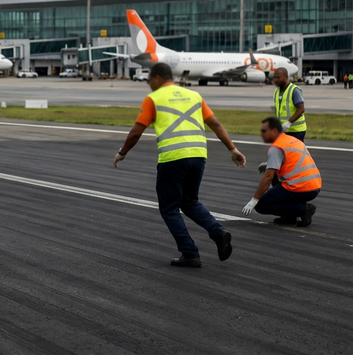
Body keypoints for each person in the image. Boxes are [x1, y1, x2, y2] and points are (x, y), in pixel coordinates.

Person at [113, 63, 246, 268]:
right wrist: (232, 149)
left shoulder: (154, 99)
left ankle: (190, 253)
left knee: (169, 208)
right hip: (199, 155)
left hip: (173, 157)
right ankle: (218, 232)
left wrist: (122, 153)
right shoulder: (194, 95)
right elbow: (216, 124)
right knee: (190, 201)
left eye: (150, 79)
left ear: (157, 78)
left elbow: (136, 132)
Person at [242, 117, 321, 226]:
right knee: (276, 176)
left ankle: (304, 209)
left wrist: (254, 200)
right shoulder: (293, 140)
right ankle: (289, 217)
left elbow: (268, 177)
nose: (262, 134)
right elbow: (295, 160)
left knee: (261, 206)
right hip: (315, 185)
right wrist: (269, 164)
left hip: (301, 187)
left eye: (265, 131)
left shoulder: (276, 148)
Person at [273, 67, 306, 141]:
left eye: (278, 78)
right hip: (283, 130)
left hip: (296, 130)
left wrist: (288, 123)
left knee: (295, 152)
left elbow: (301, 109)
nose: (275, 80)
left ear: (286, 77)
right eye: (274, 78)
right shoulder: (276, 91)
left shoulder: (294, 90)